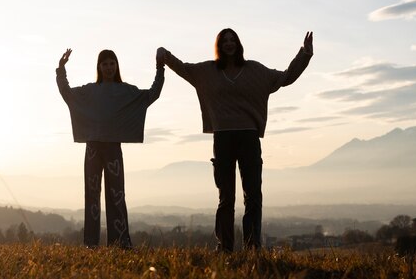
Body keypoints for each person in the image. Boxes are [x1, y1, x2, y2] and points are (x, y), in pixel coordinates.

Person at [157, 29, 313, 251]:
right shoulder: (208, 71)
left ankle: (252, 247)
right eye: (224, 40)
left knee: (253, 196)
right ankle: (225, 248)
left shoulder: (254, 70)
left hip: (248, 138)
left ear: (238, 44)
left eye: (233, 40)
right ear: (219, 45)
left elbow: (285, 77)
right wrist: (165, 54)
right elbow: (183, 69)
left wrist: (305, 54)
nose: (229, 44)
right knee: (226, 198)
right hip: (223, 139)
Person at [56, 48, 165, 248]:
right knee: (92, 196)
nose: (108, 67)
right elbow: (68, 94)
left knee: (117, 196)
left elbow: (152, 94)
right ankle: (91, 244)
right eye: (105, 64)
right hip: (93, 149)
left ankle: (120, 243)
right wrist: (61, 70)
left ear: (116, 66)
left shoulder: (126, 91)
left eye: (112, 63)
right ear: (99, 67)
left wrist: (160, 68)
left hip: (113, 148)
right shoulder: (90, 91)